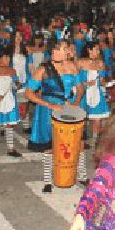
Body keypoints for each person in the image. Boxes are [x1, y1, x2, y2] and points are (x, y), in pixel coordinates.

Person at [24, 39, 85, 193]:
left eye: (67, 49)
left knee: (77, 143)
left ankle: (82, 176)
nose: (68, 51)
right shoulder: (44, 69)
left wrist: (76, 103)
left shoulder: (72, 67)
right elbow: (28, 92)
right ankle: (47, 180)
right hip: (48, 111)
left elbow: (80, 88)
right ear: (55, 51)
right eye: (64, 49)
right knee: (50, 146)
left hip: (70, 109)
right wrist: (49, 105)